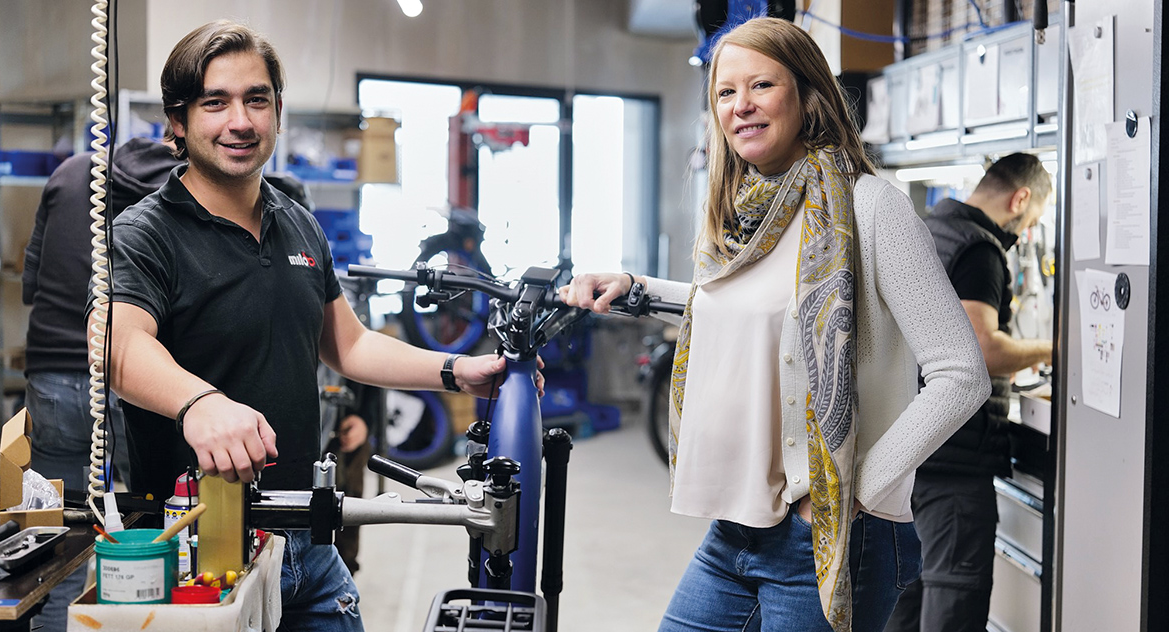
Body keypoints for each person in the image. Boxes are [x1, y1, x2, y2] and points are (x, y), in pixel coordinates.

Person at [558, 17, 990, 632]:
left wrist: (852, 489)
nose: (741, 107)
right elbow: (759, 316)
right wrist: (638, 289)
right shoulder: (749, 209)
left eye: (760, 85)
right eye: (725, 93)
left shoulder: (869, 207)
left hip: (836, 535)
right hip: (739, 525)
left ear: (807, 94)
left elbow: (960, 374)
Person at [101, 20, 516, 629]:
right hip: (197, 546)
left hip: (308, 538)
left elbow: (347, 343)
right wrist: (199, 404)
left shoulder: (297, 223)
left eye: (256, 99)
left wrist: (457, 372)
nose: (240, 120)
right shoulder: (145, 234)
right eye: (215, 102)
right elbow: (118, 344)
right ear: (179, 123)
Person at [884, 154, 1053, 632]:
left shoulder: (931, 229)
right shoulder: (980, 249)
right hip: (956, 462)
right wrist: (1054, 348)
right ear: (1019, 199)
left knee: (905, 596)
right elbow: (983, 347)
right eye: (1033, 220)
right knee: (953, 599)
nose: (1027, 233)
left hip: (912, 445)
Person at [22, 136, 179, 632]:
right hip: (126, 375)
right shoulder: (175, 190)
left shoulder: (68, 172)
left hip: (50, 374)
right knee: (157, 525)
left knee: (56, 539)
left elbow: (30, 283)